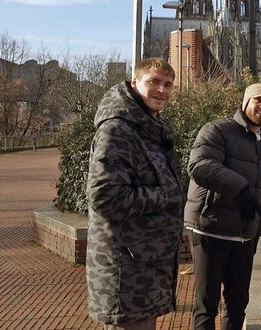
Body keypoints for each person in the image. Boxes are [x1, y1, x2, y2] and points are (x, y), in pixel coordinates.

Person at [86, 58, 183, 330]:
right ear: (134, 83)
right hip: (126, 273)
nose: (162, 90)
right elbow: (105, 196)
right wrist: (165, 196)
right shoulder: (117, 129)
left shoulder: (147, 128)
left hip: (143, 267)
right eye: (153, 82)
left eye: (168, 85)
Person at [185, 83, 261, 330]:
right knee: (206, 306)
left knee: (238, 306)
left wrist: (258, 227)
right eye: (259, 100)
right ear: (245, 102)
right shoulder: (217, 130)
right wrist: (241, 188)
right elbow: (199, 166)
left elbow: (260, 189)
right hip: (210, 229)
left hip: (245, 236)